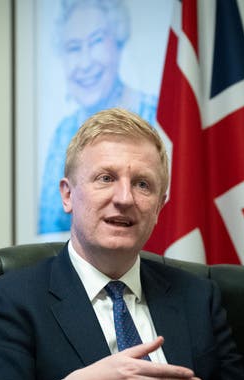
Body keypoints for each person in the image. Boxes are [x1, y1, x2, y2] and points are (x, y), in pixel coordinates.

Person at [0, 108, 244, 380]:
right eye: (106, 178)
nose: (125, 198)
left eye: (143, 184)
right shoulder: (13, 299)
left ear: (159, 206)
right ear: (67, 195)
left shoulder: (197, 296)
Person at [38, 0, 158, 234]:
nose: (85, 63)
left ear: (118, 43)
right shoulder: (62, 133)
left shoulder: (159, 117)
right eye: (73, 48)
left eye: (96, 42)